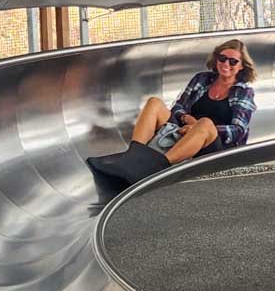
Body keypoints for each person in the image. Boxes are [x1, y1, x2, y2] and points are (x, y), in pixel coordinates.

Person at [88, 38, 257, 186]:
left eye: (233, 61)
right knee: (154, 103)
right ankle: (134, 156)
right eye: (222, 58)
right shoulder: (202, 79)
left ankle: (157, 167)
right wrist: (185, 119)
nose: (226, 64)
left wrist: (197, 127)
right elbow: (178, 106)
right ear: (216, 59)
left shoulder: (243, 92)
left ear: (242, 66)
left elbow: (238, 130)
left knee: (205, 122)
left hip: (215, 148)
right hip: (184, 132)